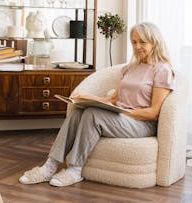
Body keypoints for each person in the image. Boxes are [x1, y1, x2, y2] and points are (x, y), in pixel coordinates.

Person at [19, 22, 176, 187]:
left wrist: (121, 113)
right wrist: (85, 98)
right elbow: (113, 100)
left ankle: (75, 170)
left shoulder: (162, 70)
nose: (137, 46)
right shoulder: (131, 68)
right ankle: (49, 167)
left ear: (155, 41)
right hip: (120, 115)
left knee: (93, 115)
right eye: (134, 42)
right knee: (79, 111)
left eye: (142, 42)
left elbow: (154, 113)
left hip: (142, 123)